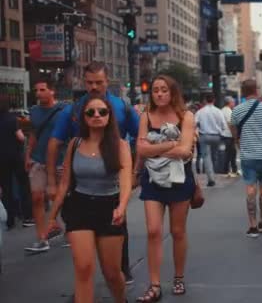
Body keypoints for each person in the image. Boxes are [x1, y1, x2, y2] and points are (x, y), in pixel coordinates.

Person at [48, 61, 139, 283]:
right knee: (83, 260)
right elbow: (54, 143)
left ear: (107, 81)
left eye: (99, 82)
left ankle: (121, 272)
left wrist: (134, 169)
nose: (94, 87)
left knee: (117, 234)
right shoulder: (72, 110)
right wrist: (52, 181)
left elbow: (141, 138)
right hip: (82, 182)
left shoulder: (122, 107)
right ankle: (86, 283)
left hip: (113, 181)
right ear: (83, 82)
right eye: (90, 82)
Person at [136, 75, 196, 301]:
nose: (159, 94)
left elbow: (185, 151)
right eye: (155, 90)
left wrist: (154, 147)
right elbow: (140, 150)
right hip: (152, 180)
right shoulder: (146, 116)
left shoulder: (186, 116)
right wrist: (171, 144)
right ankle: (154, 285)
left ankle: (178, 277)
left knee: (178, 231)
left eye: (163, 90)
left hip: (180, 179)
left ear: (172, 93)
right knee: (153, 231)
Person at [231, 79, 262, 238]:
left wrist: (239, 140)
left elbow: (233, 130)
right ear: (256, 90)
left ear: (244, 92)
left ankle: (252, 225)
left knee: (250, 188)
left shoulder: (237, 110)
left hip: (247, 155)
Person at [24, 77, 66, 253]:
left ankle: (67, 228)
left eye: (42, 90)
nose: (38, 93)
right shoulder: (34, 111)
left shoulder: (63, 110)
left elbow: (69, 134)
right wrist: (27, 155)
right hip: (38, 159)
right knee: (37, 197)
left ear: (51, 91)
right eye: (36, 90)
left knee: (61, 198)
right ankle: (42, 238)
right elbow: (33, 135)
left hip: (59, 160)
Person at [0, 95, 30, 230]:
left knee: (6, 188)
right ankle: (26, 215)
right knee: (23, 185)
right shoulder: (13, 119)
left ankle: (10, 219)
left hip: (1, 158)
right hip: (16, 157)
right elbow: (21, 138)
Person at [194, 93, 227, 187]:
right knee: (215, 155)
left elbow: (194, 124)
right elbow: (224, 125)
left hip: (204, 136)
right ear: (214, 100)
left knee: (206, 157)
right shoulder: (218, 111)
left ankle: (211, 178)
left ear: (205, 100)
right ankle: (215, 173)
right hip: (217, 136)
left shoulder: (200, 112)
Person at [221, 97, 239, 178]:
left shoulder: (222, 110)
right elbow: (230, 124)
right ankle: (232, 169)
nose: (234, 104)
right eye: (233, 102)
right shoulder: (228, 111)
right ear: (229, 103)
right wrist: (235, 136)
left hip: (224, 135)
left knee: (229, 153)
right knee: (231, 153)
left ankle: (229, 169)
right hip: (229, 135)